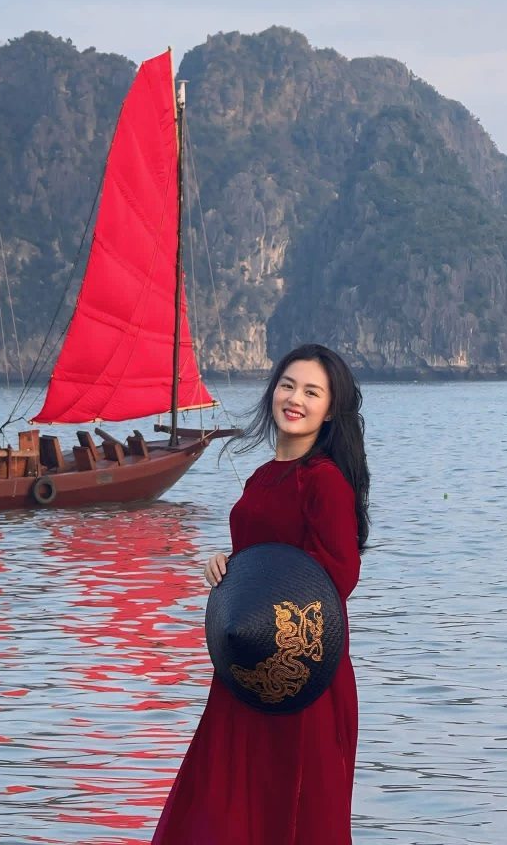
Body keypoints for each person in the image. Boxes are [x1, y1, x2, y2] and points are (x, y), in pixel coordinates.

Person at [151, 343, 370, 845]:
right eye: (288, 385)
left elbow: (340, 575)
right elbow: (262, 556)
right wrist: (228, 567)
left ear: (330, 409)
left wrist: (272, 591)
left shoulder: (325, 482)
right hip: (245, 664)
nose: (295, 399)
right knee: (222, 800)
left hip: (303, 671)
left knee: (293, 808)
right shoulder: (263, 476)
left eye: (312, 392)